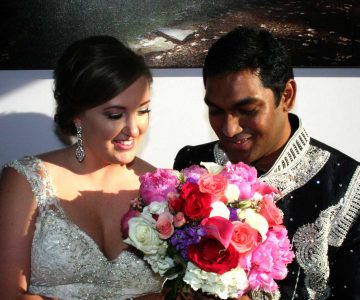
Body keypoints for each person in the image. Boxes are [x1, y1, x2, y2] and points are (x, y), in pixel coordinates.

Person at [173, 26, 360, 299]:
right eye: (215, 110)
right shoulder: (192, 165)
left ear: (286, 96)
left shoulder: (347, 185)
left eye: (246, 111)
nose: (229, 128)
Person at [0, 36, 165, 299]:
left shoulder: (166, 189)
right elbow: (8, 294)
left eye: (143, 111)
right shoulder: (25, 181)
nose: (134, 129)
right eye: (115, 115)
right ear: (77, 116)